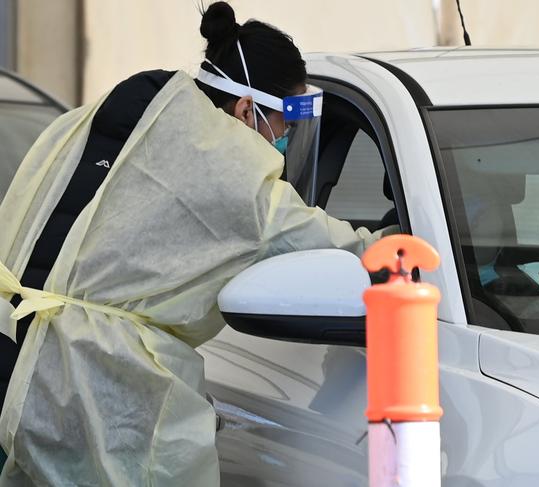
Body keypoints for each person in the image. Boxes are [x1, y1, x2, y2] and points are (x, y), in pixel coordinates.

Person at [0, 3, 393, 485]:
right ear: (248, 110)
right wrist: (406, 242)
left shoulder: (139, 111)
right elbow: (343, 251)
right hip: (94, 380)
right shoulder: (231, 171)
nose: (285, 141)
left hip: (17, 354)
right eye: (285, 126)